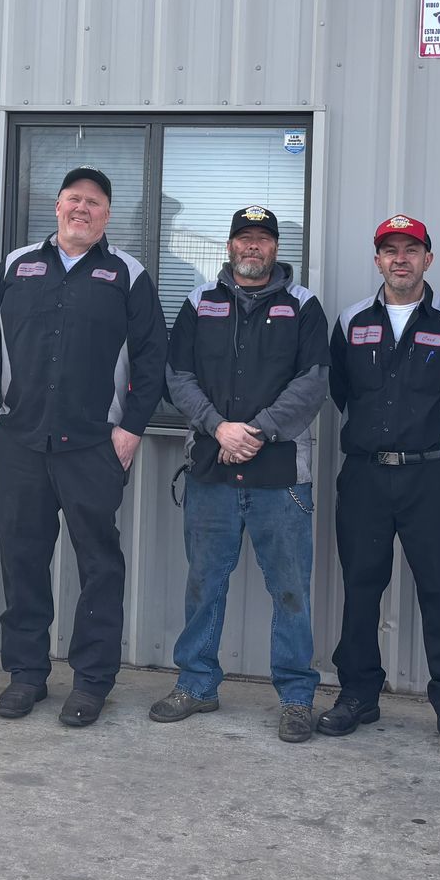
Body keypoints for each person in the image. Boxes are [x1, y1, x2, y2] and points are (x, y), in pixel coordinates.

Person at [0, 166, 168, 728]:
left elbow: (153, 357)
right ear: (56, 207)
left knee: (99, 565)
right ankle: (26, 675)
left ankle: (90, 682)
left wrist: (130, 430)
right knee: (22, 560)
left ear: (107, 214)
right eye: (73, 199)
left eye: (95, 203)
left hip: (92, 446)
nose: (82, 209)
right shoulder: (16, 267)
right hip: (19, 443)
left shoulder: (126, 273)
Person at [148, 206, 331, 744]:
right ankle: (197, 683)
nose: (253, 248)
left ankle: (297, 697)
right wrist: (217, 428)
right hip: (211, 469)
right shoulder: (199, 303)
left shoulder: (303, 307)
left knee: (290, 591)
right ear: (229, 246)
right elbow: (175, 375)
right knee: (204, 585)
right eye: (244, 239)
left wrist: (255, 432)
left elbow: (313, 381)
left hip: (282, 477)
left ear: (276, 248)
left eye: (263, 240)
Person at [319, 214, 440, 759]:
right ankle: (358, 694)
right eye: (389, 250)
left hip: (430, 476)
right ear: (377, 260)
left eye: (410, 249)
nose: (400, 259)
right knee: (361, 587)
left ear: (427, 259)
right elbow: (341, 391)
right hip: (366, 474)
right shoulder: (351, 321)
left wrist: (429, 440)